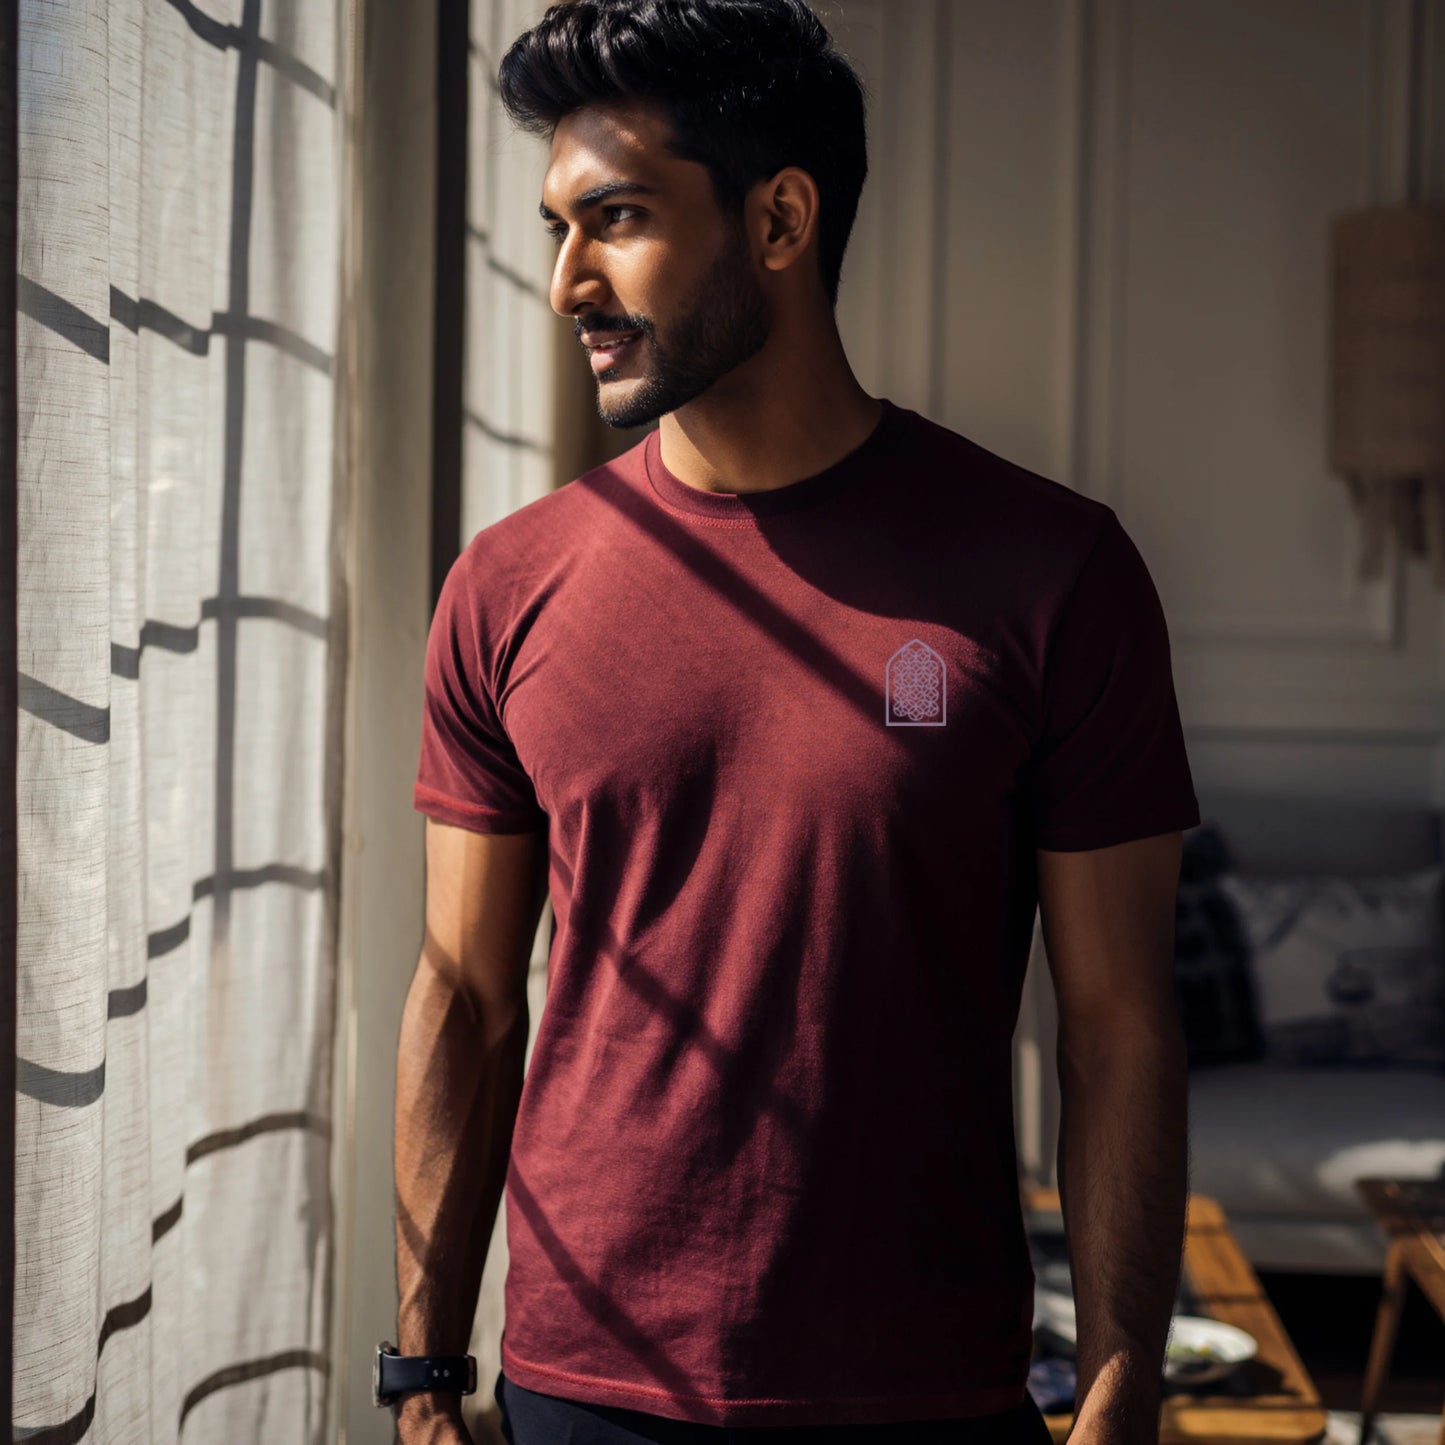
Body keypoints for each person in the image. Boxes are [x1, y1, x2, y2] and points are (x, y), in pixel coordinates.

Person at [395, 1, 1200, 1442]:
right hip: (582, 1386)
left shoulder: (1051, 570)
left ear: (778, 219)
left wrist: (1123, 1376)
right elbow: (464, 988)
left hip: (923, 1392)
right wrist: (420, 1376)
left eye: (618, 219)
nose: (568, 279)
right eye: (556, 228)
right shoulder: (508, 584)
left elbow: (1117, 1021)